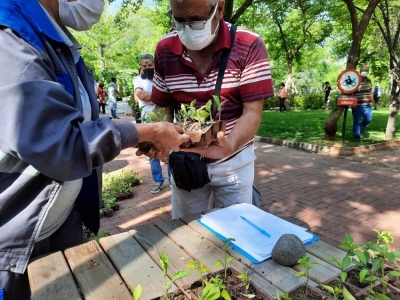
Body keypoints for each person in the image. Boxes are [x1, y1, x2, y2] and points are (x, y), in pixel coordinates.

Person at [0, 0, 189, 299]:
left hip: (60, 222)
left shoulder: (56, 44)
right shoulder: (9, 38)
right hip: (15, 244)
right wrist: (147, 130)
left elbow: (79, 121)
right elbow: (60, 144)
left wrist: (134, 135)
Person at [151, 0, 274, 219]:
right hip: (185, 161)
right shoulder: (164, 48)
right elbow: (163, 106)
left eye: (196, 21)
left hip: (233, 160)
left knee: (236, 230)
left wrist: (230, 145)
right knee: (187, 230)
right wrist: (158, 138)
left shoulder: (249, 44)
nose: (187, 29)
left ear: (219, 8)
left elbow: (252, 112)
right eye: (179, 21)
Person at [134, 54, 171, 193]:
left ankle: (173, 180)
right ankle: (158, 181)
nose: (147, 67)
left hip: (164, 121)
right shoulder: (138, 80)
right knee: (152, 153)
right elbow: (142, 96)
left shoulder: (162, 79)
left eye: (149, 65)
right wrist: (162, 97)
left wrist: (158, 97)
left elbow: (170, 96)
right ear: (141, 67)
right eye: (144, 66)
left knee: (169, 150)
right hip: (147, 123)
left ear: (155, 64)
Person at [352, 65, 374, 141]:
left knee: (368, 119)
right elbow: (351, 92)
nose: (364, 72)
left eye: (366, 71)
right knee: (357, 121)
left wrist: (372, 100)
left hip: (367, 105)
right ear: (360, 71)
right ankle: (356, 136)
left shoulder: (369, 80)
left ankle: (358, 131)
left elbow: (371, 91)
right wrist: (353, 102)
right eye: (363, 70)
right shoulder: (356, 80)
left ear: (368, 72)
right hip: (357, 104)